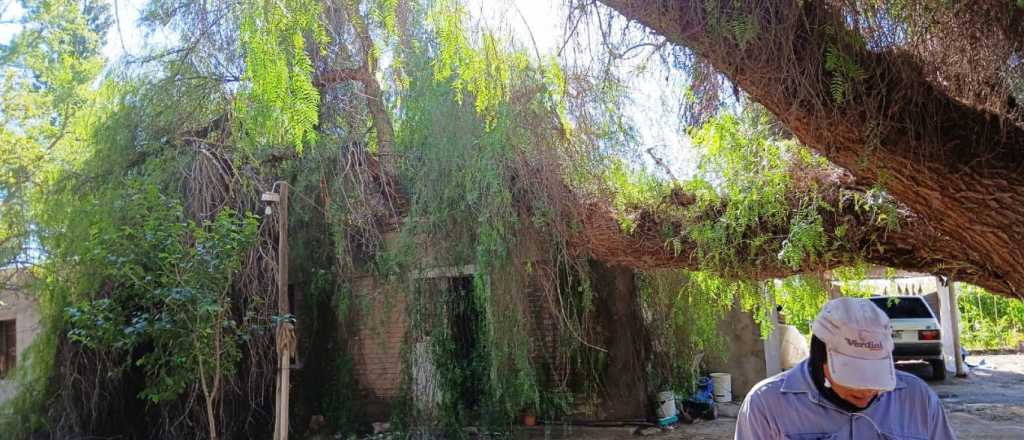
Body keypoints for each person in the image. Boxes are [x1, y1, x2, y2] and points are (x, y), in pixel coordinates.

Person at [735, 297, 956, 439]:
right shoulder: (766, 405)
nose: (868, 389)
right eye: (856, 374)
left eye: (875, 374)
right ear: (820, 358)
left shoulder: (918, 400)